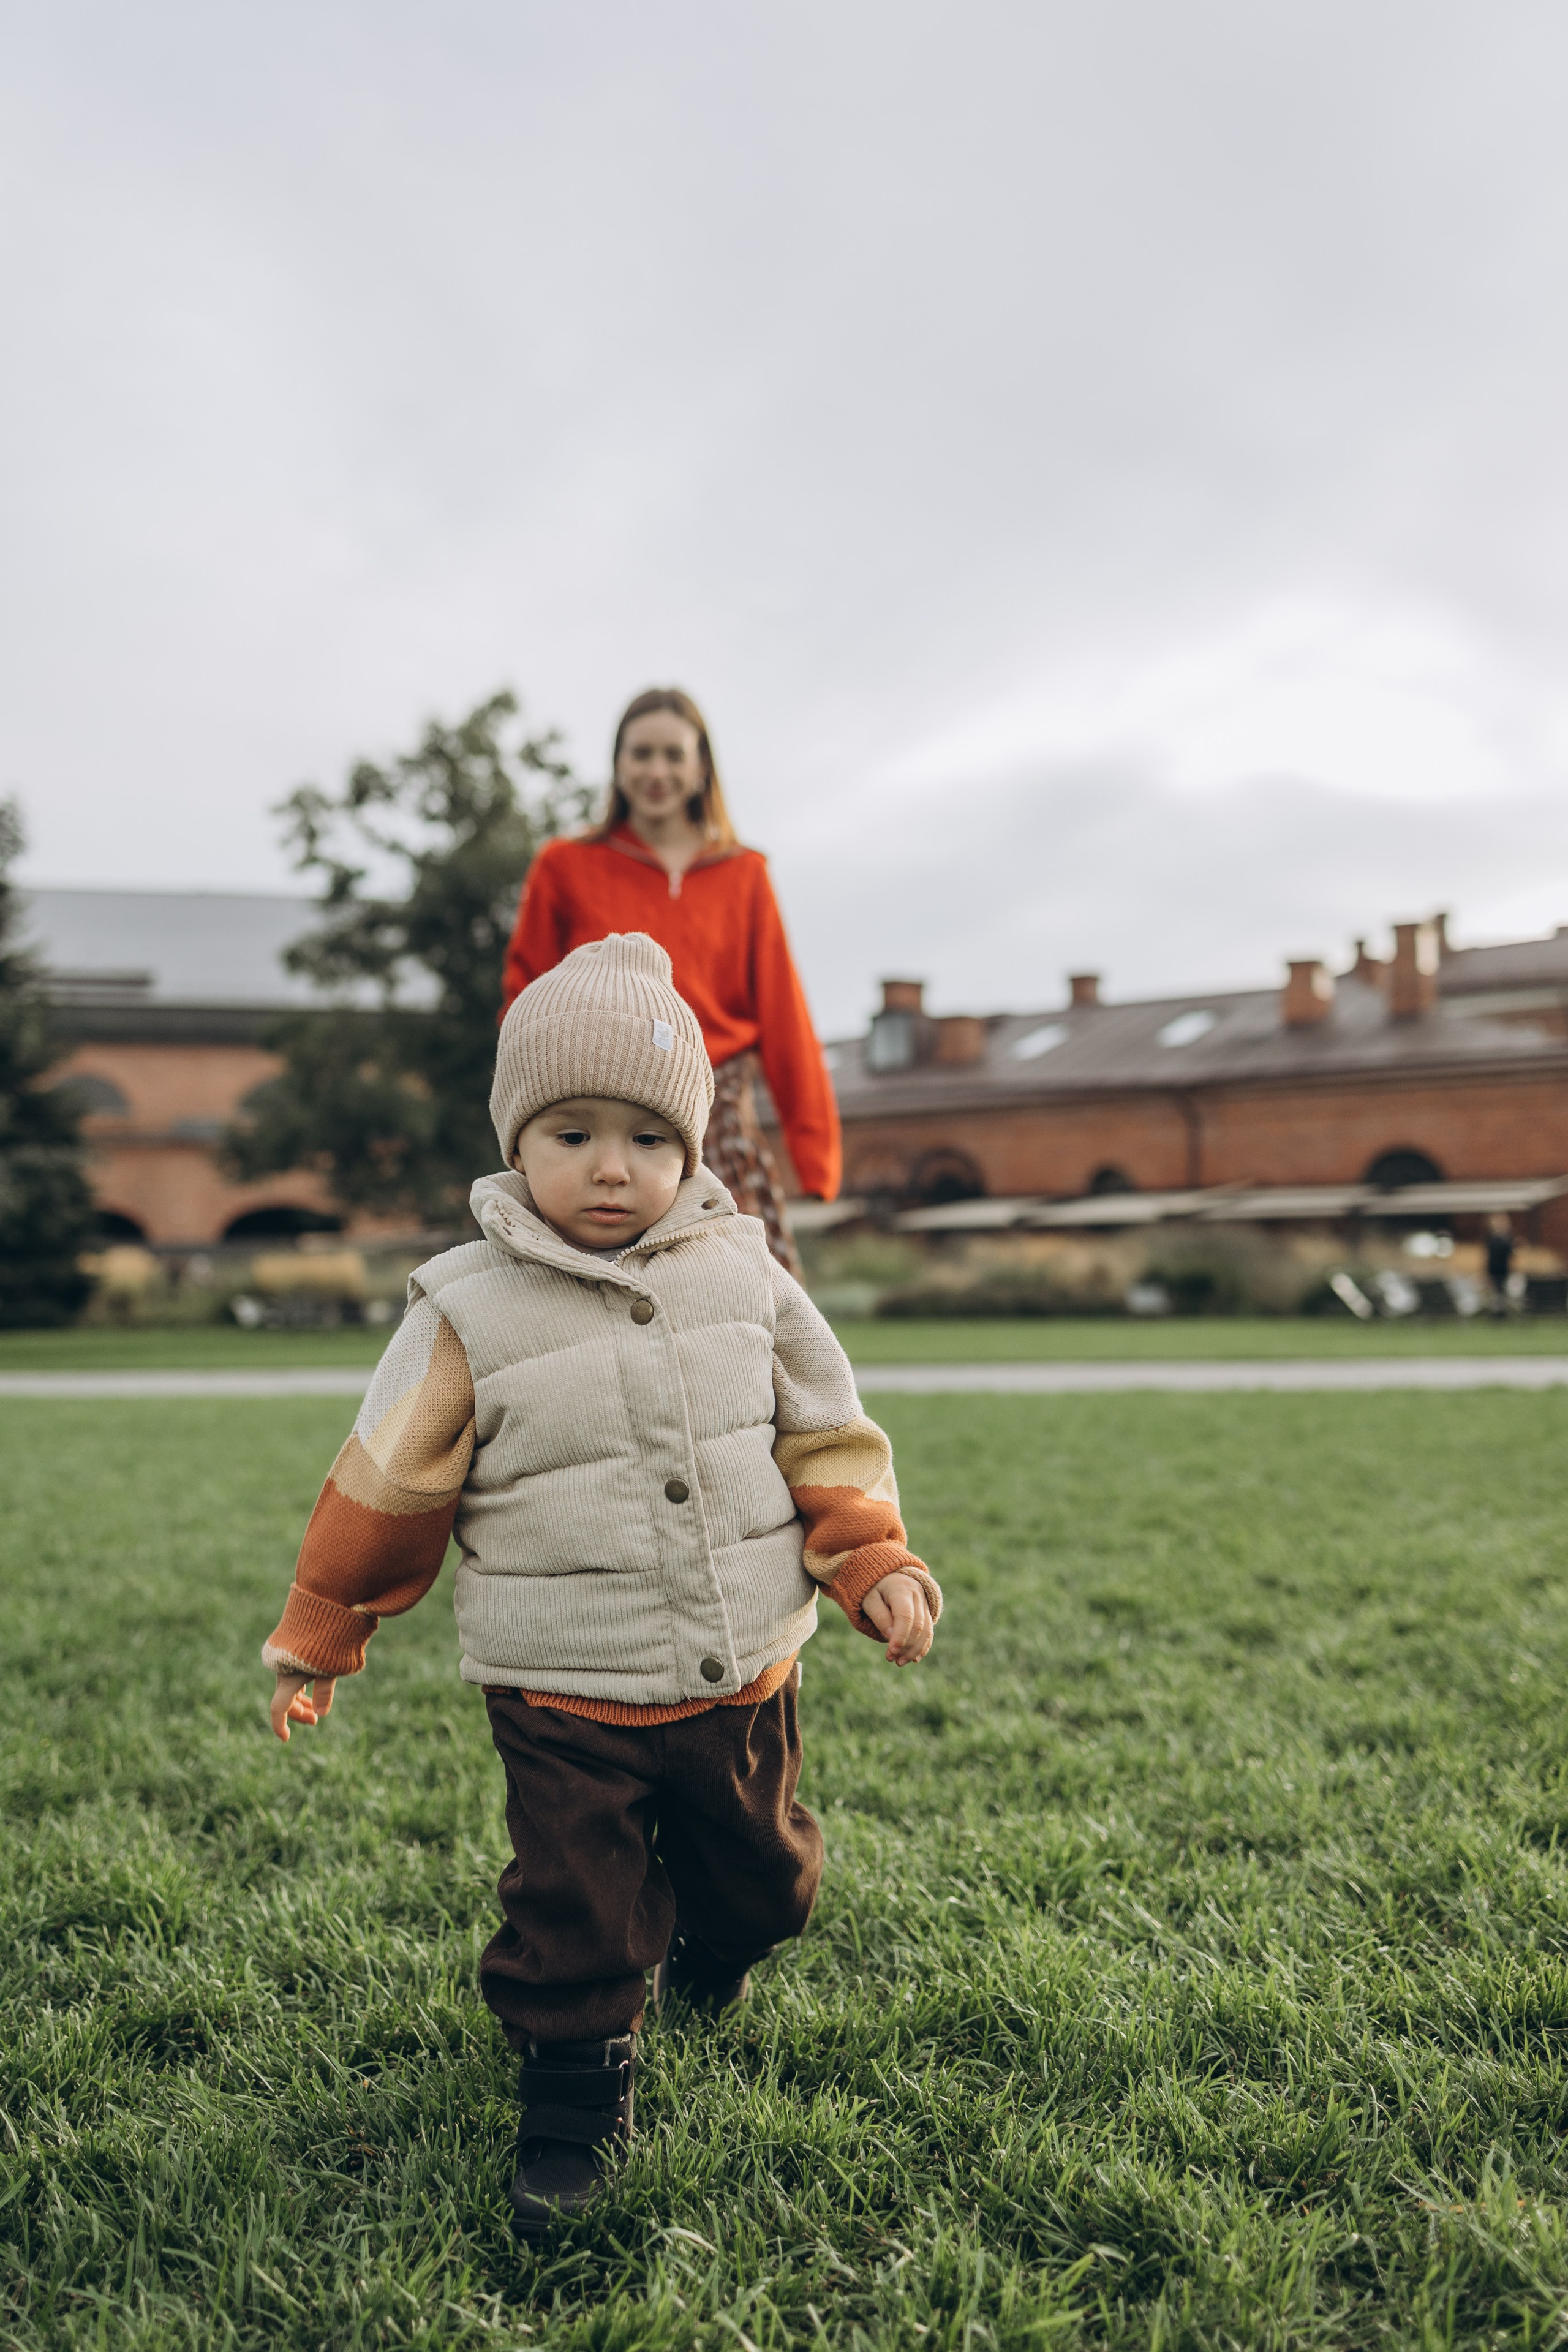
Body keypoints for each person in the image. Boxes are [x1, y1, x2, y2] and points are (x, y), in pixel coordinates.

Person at [263, 933, 940, 2238]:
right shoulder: (465, 1307)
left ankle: (713, 1945)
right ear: (517, 1145)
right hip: (559, 1683)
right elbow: (388, 1477)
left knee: (766, 1884)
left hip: (740, 1666)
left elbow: (827, 1437)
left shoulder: (749, 1278)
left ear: (691, 1154)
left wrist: (872, 1560)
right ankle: (573, 2096)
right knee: (573, 1905)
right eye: (570, 1133)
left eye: (645, 1137)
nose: (611, 1166)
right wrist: (324, 1628)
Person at [500, 687, 838, 1278]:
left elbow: (786, 1017)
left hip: (716, 1120)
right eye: (641, 754)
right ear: (618, 764)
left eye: (674, 755)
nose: (657, 771)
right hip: (599, 1106)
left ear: (701, 766)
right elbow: (521, 1004)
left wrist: (816, 1156)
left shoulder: (743, 874)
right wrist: (530, 1123)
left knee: (746, 1311)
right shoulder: (565, 865)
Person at [1485, 1212, 1516, 1316]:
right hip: (1496, 1270)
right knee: (1497, 1292)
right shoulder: (1495, 1240)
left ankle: (1500, 1312)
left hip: (1502, 1270)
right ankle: (1498, 1313)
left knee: (1501, 1292)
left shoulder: (1503, 1239)